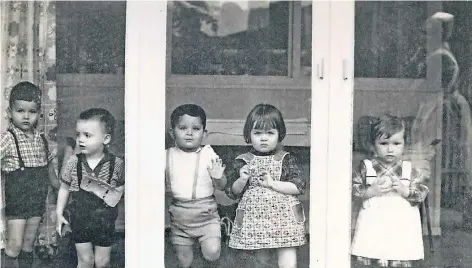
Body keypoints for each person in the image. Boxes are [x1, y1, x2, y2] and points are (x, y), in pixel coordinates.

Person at [226, 103, 307, 268]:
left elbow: (298, 187)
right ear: (249, 135)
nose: (263, 138)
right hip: (256, 220)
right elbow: (232, 192)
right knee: (261, 261)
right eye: (257, 133)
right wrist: (241, 180)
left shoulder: (286, 159)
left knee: (287, 259)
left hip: (284, 220)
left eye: (270, 133)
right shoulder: (243, 160)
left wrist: (273, 184)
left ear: (279, 135)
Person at [351, 114, 429, 268]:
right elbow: (354, 189)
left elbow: (421, 191)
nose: (390, 149)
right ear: (373, 145)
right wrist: (370, 191)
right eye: (384, 143)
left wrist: (405, 191)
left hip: (399, 231)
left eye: (396, 143)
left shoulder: (409, 169)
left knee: (398, 258)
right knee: (372, 259)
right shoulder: (367, 167)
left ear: (404, 145)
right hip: (373, 229)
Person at [0, 81, 60, 268]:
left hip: (36, 201)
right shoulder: (8, 138)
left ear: (39, 113)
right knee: (15, 245)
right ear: (10, 112)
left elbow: (49, 168)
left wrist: (60, 188)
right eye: (20, 111)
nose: (26, 117)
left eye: (32, 112)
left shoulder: (41, 138)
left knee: (28, 244)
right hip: (17, 202)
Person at [56, 108, 125, 268]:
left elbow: (122, 189)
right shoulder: (74, 162)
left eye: (87, 135)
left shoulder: (117, 164)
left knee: (103, 262)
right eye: (78, 134)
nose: (81, 140)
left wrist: (113, 193)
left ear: (105, 139)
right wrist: (59, 213)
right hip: (80, 219)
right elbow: (64, 188)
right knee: (85, 261)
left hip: (104, 221)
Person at [165, 104, 227, 268]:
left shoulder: (208, 154)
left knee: (212, 253)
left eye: (196, 128)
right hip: (180, 215)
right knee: (184, 261)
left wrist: (218, 177)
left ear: (204, 133)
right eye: (183, 128)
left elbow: (221, 186)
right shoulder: (167, 155)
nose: (189, 133)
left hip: (206, 214)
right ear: (172, 133)